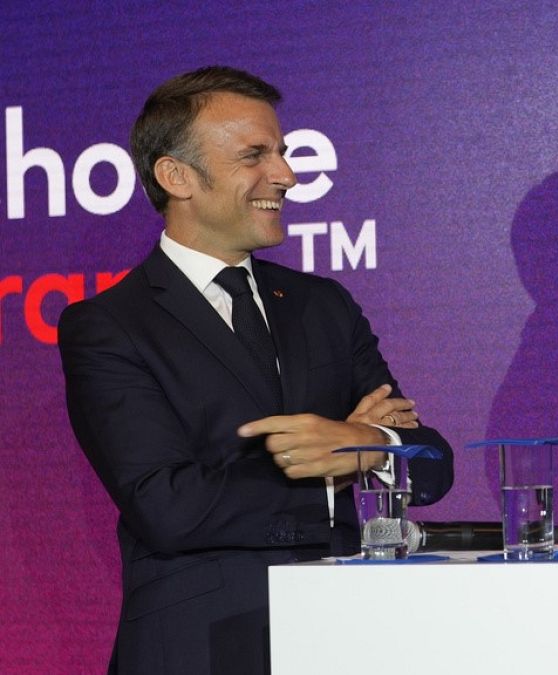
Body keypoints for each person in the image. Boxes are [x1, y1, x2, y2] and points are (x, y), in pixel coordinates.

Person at [58, 66, 453, 675]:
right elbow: (168, 508)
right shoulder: (109, 326)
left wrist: (372, 442)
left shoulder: (323, 304)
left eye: (284, 152)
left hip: (351, 640)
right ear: (177, 176)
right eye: (255, 155)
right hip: (201, 649)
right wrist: (335, 469)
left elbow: (431, 460)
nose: (287, 176)